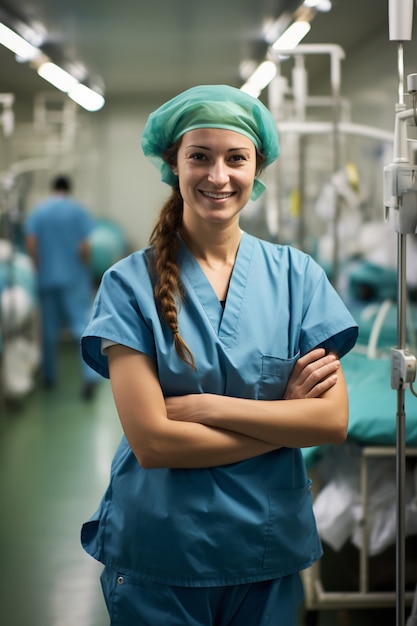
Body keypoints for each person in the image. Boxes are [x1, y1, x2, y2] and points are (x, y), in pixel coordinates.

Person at [80, 85, 359, 625]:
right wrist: (284, 419)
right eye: (199, 157)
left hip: (266, 551)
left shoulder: (297, 277)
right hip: (162, 554)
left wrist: (207, 408)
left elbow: (330, 420)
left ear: (257, 169)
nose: (218, 176)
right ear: (174, 165)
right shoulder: (127, 285)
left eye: (236, 158)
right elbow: (155, 443)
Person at [25, 174, 99, 399]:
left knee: (48, 330)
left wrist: (39, 268)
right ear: (68, 189)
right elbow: (85, 246)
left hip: (46, 277)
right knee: (80, 326)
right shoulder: (77, 211)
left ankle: (49, 377)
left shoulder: (39, 211)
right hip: (74, 277)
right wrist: (83, 268)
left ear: (52, 188)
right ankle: (90, 377)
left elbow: (30, 242)